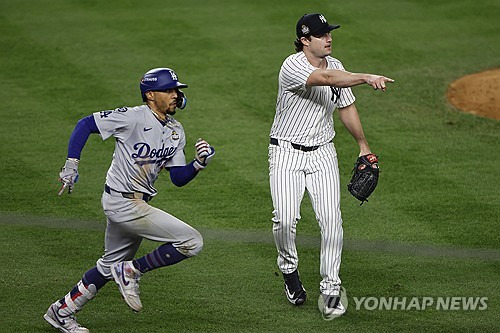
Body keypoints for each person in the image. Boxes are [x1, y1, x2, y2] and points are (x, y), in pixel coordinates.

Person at [44, 67, 215, 333]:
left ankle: (61, 311)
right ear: (150, 95)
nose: (175, 95)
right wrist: (71, 164)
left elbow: (178, 177)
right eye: (169, 90)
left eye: (176, 91)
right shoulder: (132, 117)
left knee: (107, 266)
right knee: (192, 241)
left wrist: (199, 163)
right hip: (122, 204)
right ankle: (132, 271)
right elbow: (85, 124)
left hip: (136, 203)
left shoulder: (175, 130)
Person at [268, 13, 393, 316]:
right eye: (322, 34)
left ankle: (331, 290)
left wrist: (364, 146)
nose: (329, 38)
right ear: (304, 40)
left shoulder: (337, 66)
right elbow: (323, 80)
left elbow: (346, 106)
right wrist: (365, 77)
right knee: (285, 220)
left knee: (332, 223)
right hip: (286, 153)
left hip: (323, 152)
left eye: (330, 33)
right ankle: (288, 269)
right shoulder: (293, 66)